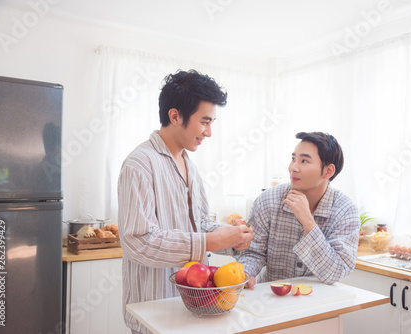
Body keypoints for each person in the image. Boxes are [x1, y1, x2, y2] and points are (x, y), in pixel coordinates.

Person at [118, 70, 253, 334]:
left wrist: (232, 239)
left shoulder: (189, 165)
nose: (209, 132)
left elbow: (199, 223)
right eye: (204, 121)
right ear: (175, 116)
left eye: (211, 123)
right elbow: (140, 241)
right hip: (154, 313)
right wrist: (211, 242)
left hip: (191, 308)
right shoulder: (140, 164)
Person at [237, 131, 359, 288]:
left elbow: (335, 272)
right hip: (269, 299)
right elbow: (253, 252)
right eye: (293, 159)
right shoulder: (268, 200)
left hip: (320, 303)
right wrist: (246, 273)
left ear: (328, 171)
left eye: (304, 161)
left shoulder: (345, 211)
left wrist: (308, 221)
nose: (293, 167)